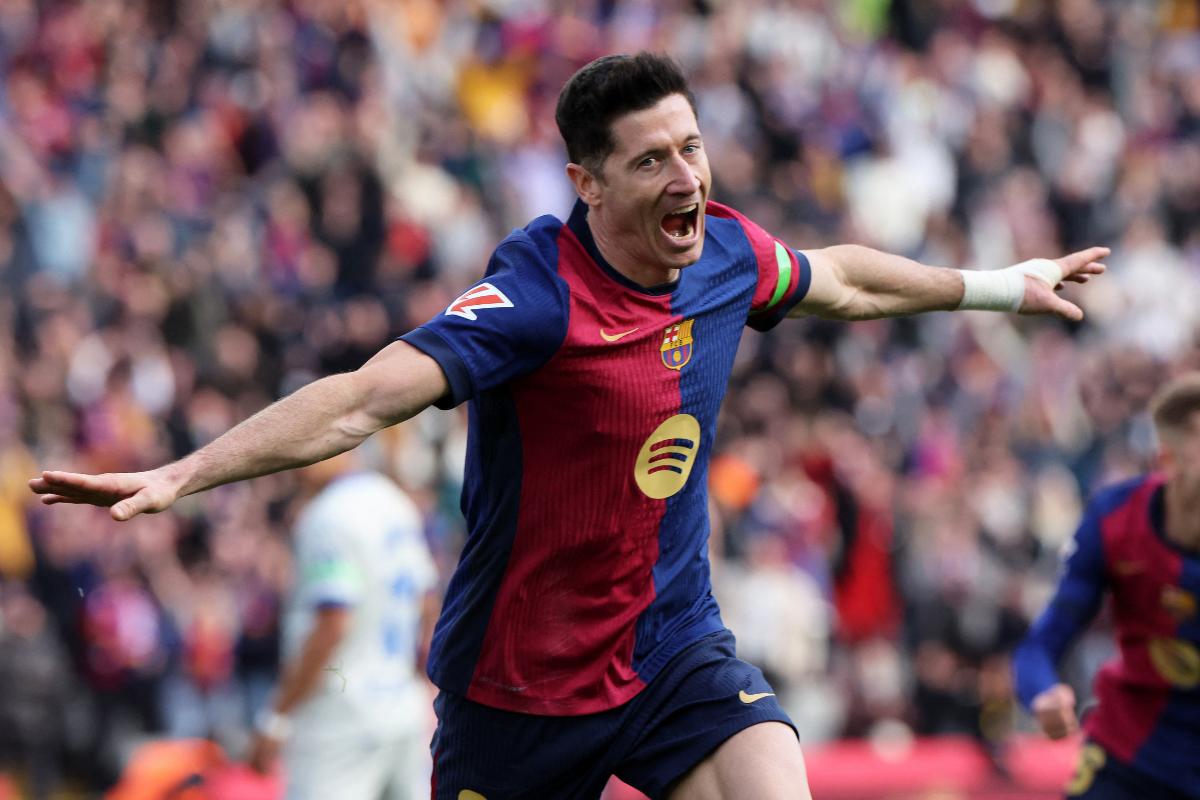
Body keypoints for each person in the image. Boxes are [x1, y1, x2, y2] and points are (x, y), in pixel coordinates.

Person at [30, 52, 1107, 800]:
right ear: (585, 184)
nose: (686, 178)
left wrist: (1003, 285)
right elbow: (359, 397)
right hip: (520, 689)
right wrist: (183, 471)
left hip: (672, 647)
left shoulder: (724, 253)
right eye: (652, 161)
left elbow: (845, 284)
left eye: (691, 149)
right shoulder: (536, 300)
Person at [1013, 373, 1200, 800]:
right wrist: (1042, 692)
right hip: (1129, 760)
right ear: (1166, 460)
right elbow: (1040, 645)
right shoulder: (1115, 519)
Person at [246, 451, 438, 800]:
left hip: (338, 721)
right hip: (401, 705)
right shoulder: (393, 500)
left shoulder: (329, 516)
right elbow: (427, 601)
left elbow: (333, 622)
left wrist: (276, 716)